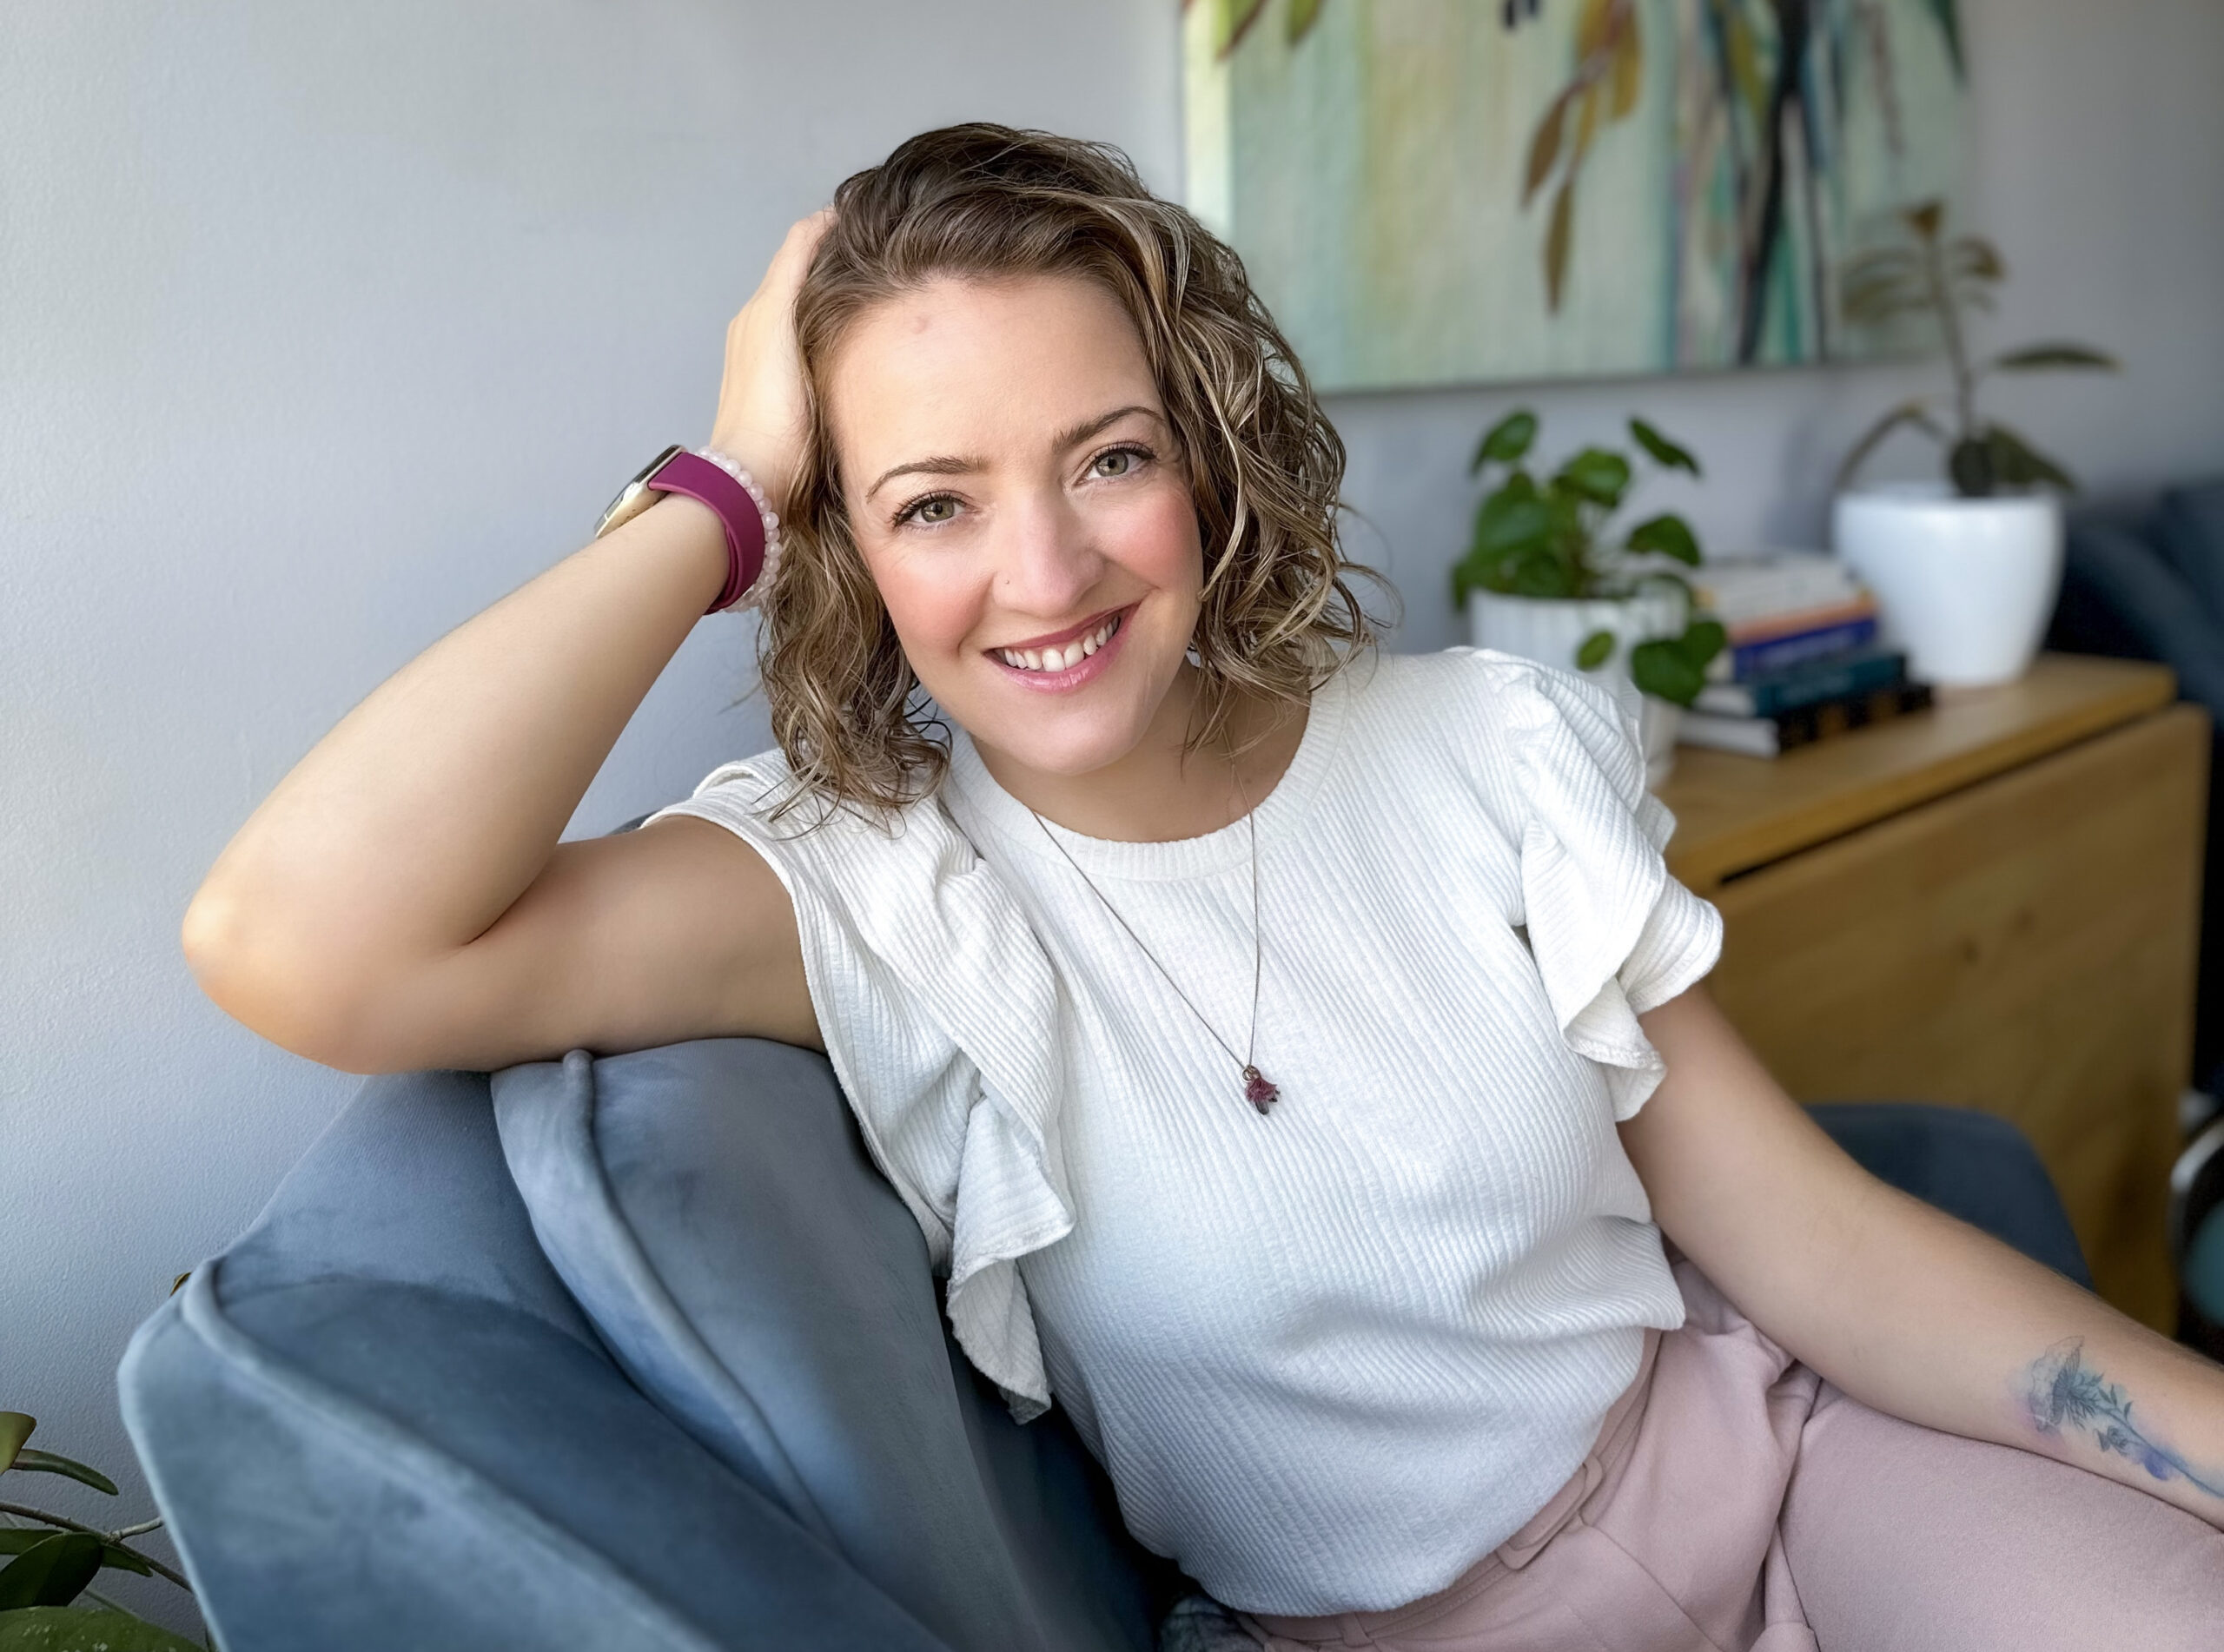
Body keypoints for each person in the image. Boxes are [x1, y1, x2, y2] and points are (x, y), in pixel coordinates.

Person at [182, 124, 2224, 1649]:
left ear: (1211, 457)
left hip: (1780, 1485)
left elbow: (1822, 1249)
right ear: (845, 548)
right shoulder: (863, 895)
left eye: (1105, 457)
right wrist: (722, 481)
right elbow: (295, 941)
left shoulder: (1480, 746)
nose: (1047, 575)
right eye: (931, 503)